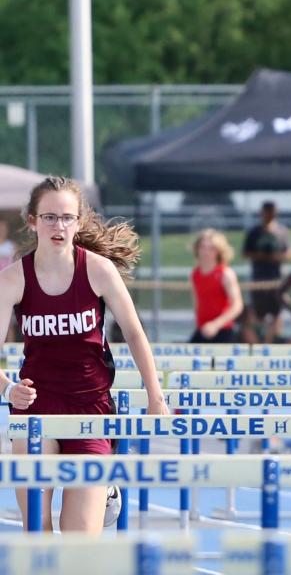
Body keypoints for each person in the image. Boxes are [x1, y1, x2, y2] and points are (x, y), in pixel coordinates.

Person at [0, 176, 168, 533]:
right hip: (35, 410)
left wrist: (155, 396)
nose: (58, 226)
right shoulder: (13, 279)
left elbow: (135, 333)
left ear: (78, 221)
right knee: (37, 526)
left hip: (91, 407)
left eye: (66, 217)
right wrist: (6, 388)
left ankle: (104, 488)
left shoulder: (97, 269)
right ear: (32, 220)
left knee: (78, 538)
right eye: (49, 217)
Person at [242, 201, 291, 343]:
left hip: (276, 280)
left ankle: (269, 343)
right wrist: (262, 256)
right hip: (259, 280)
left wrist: (275, 257)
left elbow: (289, 253)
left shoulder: (282, 231)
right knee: (257, 314)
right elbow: (246, 253)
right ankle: (258, 343)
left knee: (277, 314)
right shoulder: (255, 232)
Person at [190, 229, 243, 343]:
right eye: (202, 247)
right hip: (202, 330)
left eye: (211, 248)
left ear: (219, 252)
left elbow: (237, 305)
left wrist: (216, 324)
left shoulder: (226, 274)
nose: (206, 252)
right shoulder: (195, 274)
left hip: (223, 331)